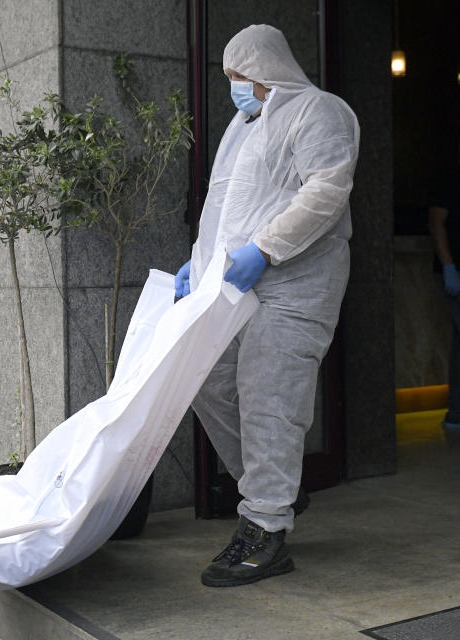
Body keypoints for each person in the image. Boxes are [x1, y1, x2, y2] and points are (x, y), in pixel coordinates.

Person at [174, 25, 360, 587]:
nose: (234, 86)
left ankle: (266, 530)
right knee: (204, 379)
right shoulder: (242, 126)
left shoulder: (320, 111)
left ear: (268, 67)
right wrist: (198, 261)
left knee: (269, 396)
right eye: (228, 77)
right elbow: (224, 206)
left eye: (241, 75)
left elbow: (326, 190)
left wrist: (265, 247)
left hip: (299, 279)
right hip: (236, 282)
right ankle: (273, 486)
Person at [428, 164, 460, 447]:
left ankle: (456, 412)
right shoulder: (450, 177)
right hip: (456, 273)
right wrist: (449, 265)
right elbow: (436, 222)